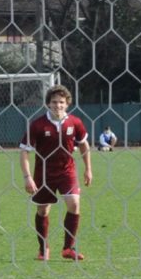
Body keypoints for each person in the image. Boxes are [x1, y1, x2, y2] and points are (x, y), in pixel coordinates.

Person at [19, 84, 93, 261]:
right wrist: (28, 177)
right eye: (54, 102)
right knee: (43, 211)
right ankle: (43, 249)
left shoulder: (75, 122)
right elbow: (24, 151)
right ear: (48, 104)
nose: (57, 105)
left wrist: (88, 169)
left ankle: (68, 248)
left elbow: (84, 144)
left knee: (74, 204)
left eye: (61, 102)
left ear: (67, 103)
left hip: (67, 171)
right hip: (43, 174)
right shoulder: (37, 125)